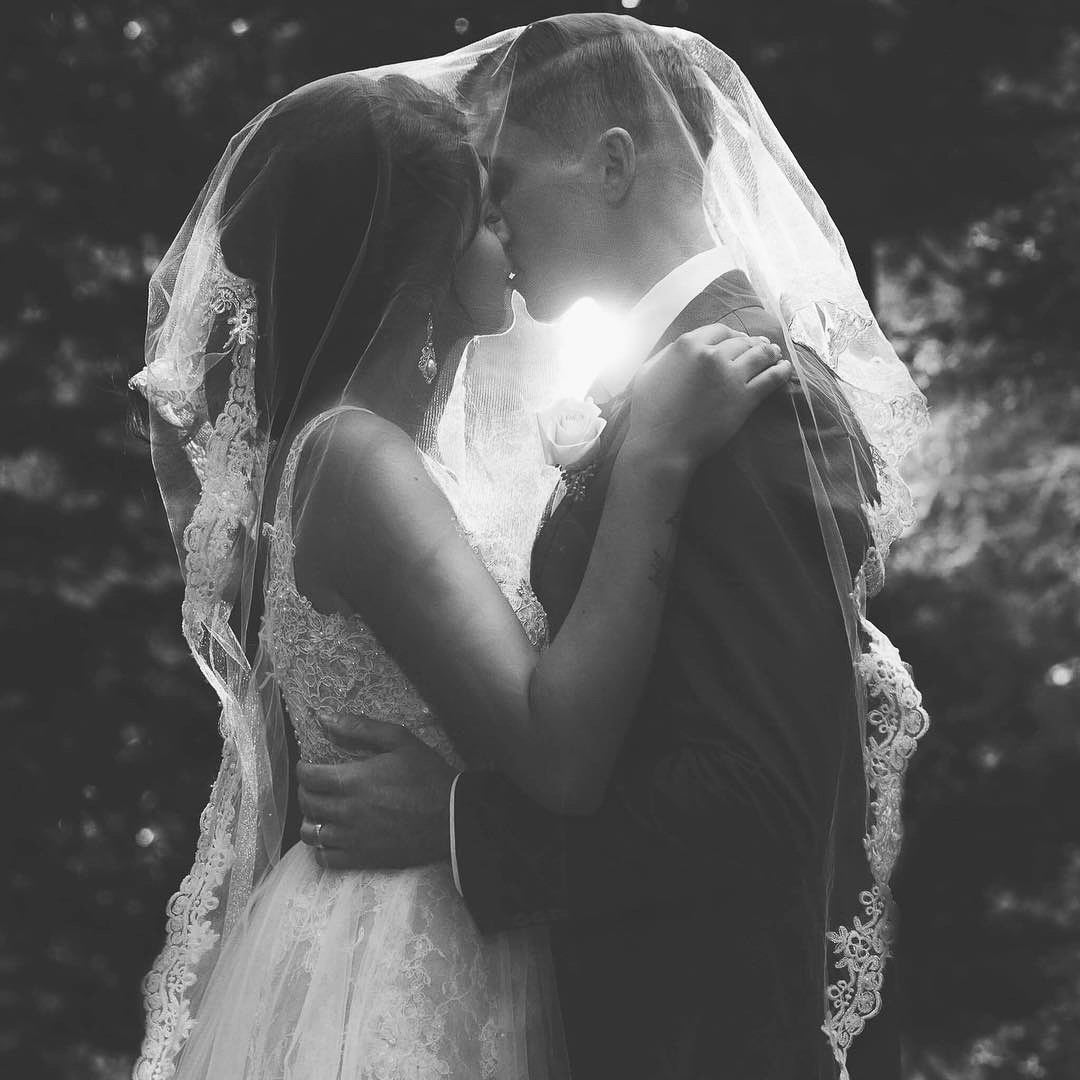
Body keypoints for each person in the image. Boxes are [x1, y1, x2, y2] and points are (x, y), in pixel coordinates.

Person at [297, 15, 931, 1080]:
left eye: (503, 179)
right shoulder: (675, 398)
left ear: (613, 166)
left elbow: (761, 802)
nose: (487, 215)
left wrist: (457, 825)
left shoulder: (756, 396)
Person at [129, 66, 791, 1079]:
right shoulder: (355, 461)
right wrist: (655, 463)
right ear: (420, 255)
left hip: (444, 927)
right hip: (391, 964)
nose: (510, 237)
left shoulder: (365, 455)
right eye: (487, 217)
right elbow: (558, 757)